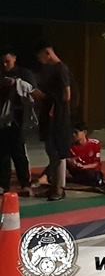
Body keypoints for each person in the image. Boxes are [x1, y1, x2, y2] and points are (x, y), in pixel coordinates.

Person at [36, 44, 72, 201]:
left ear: (47, 53)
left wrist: (47, 99)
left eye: (40, 56)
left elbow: (67, 95)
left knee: (56, 152)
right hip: (50, 115)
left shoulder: (61, 69)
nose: (40, 60)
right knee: (51, 151)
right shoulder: (51, 70)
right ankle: (54, 187)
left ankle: (58, 188)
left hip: (57, 117)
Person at [0, 49, 35, 196]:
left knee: (19, 153)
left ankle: (25, 184)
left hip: (18, 118)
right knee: (2, 154)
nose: (4, 64)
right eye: (2, 61)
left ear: (14, 58)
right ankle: (3, 184)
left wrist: (16, 83)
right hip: (2, 119)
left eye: (7, 61)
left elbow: (32, 90)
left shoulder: (23, 73)